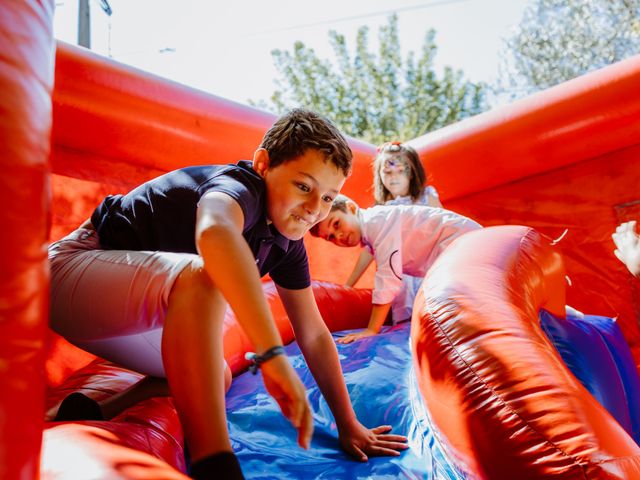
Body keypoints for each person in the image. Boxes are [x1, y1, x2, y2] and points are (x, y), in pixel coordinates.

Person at [49, 109, 408, 480]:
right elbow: (215, 233)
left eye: (329, 197)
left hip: (126, 311)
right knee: (204, 276)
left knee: (215, 374)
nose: (315, 208)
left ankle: (96, 410)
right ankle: (216, 464)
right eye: (304, 186)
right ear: (263, 164)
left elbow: (314, 334)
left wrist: (349, 425)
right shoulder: (238, 187)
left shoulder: (287, 243)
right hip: (70, 272)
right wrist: (271, 356)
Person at [311, 194, 482, 344]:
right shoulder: (371, 229)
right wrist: (348, 286)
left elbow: (388, 277)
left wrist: (371, 330)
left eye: (336, 224)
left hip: (465, 243)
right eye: (331, 237)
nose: (338, 236)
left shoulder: (376, 222)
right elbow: (370, 256)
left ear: (351, 208)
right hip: (461, 246)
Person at [345, 141, 442, 324]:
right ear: (379, 175)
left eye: (400, 171)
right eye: (387, 172)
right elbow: (369, 251)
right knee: (406, 321)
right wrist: (349, 285)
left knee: (432, 317)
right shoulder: (381, 210)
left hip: (426, 269)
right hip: (401, 279)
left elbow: (444, 224)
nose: (393, 177)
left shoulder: (426, 197)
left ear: (411, 172)